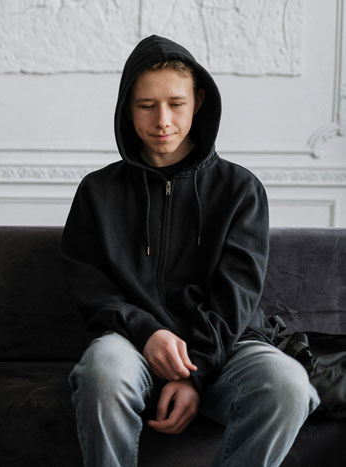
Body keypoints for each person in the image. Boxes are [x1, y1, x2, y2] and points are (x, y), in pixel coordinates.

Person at [61, 35, 319, 467]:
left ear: (198, 102)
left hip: (226, 347)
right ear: (127, 108)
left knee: (288, 386)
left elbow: (236, 294)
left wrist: (195, 373)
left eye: (176, 104)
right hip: (132, 344)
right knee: (102, 372)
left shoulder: (241, 190)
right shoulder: (97, 191)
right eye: (146, 105)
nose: (162, 120)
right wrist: (147, 332)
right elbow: (89, 284)